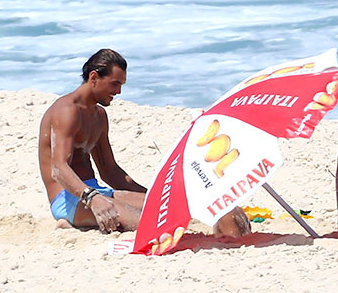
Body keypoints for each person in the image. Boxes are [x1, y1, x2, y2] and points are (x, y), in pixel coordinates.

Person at [39, 48, 251, 236]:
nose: (118, 92)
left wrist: (160, 197)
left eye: (121, 85)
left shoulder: (99, 116)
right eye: (114, 84)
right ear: (94, 77)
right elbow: (59, 168)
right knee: (151, 225)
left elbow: (110, 171)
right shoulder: (66, 111)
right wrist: (93, 199)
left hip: (97, 192)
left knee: (171, 210)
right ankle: (73, 221)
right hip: (69, 198)